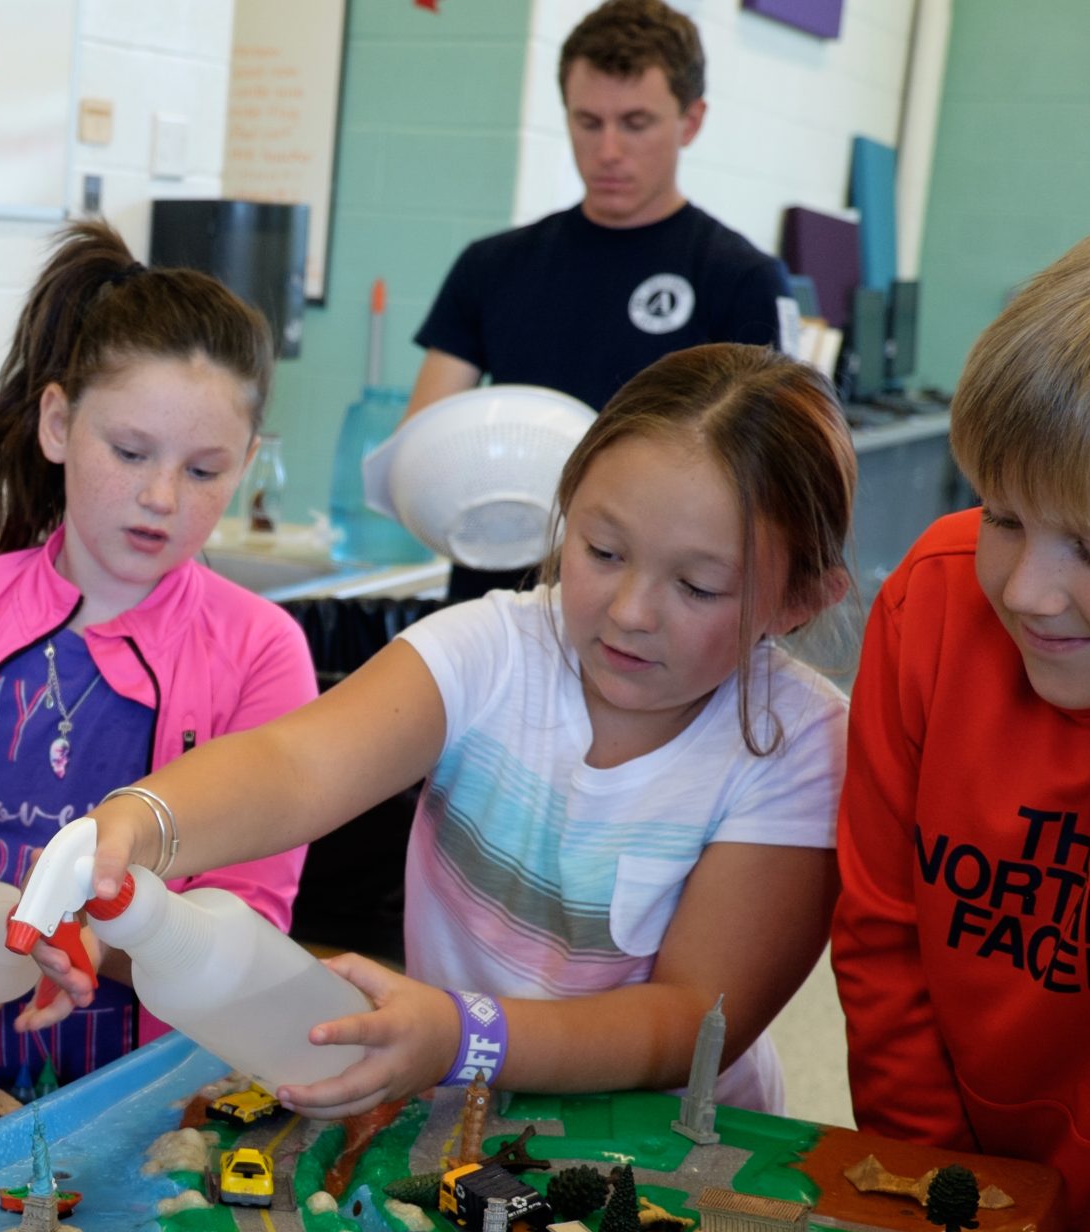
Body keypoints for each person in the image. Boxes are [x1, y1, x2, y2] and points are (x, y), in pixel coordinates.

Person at [43, 344, 852, 1119]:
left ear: (797, 601)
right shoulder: (495, 648)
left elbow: (687, 1022)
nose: (631, 610)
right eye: (602, 550)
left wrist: (467, 1035)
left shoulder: (797, 744)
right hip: (461, 1108)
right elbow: (295, 765)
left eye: (698, 586)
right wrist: (142, 821)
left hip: (673, 1154)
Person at [0, 220, 320, 1099]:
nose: (161, 496)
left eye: (206, 470)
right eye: (130, 452)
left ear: (248, 464)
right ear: (59, 423)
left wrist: (92, 945)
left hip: (159, 1108)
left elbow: (250, 920)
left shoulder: (261, 651)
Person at [830, 214, 1090, 1232]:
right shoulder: (934, 603)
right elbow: (885, 934)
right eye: (1004, 515)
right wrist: (950, 1203)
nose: (1028, 587)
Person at [407, 0, 798, 600]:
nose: (609, 150)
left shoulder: (741, 279)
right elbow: (425, 438)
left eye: (636, 123)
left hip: (655, 610)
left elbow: (772, 480)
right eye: (588, 122)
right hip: (499, 594)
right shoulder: (492, 264)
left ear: (691, 121)